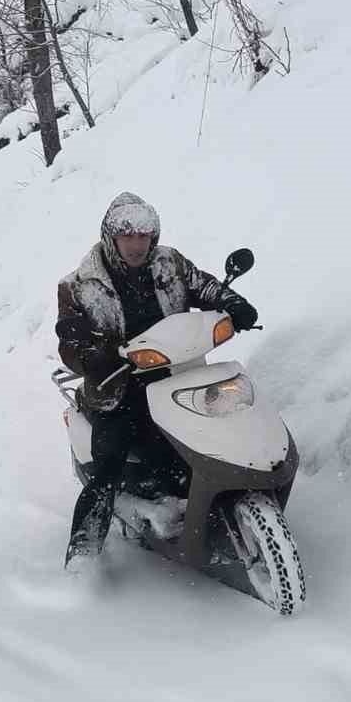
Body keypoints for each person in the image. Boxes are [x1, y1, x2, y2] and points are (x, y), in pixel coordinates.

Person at [56, 192, 258, 567]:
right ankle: (83, 555)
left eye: (144, 236)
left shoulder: (171, 263)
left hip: (179, 371)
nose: (136, 245)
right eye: (127, 237)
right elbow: (70, 343)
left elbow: (204, 286)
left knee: (217, 429)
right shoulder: (80, 284)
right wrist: (92, 355)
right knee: (110, 465)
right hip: (118, 386)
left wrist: (233, 302)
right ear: (111, 237)